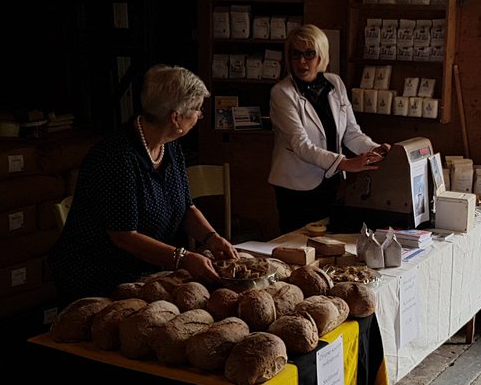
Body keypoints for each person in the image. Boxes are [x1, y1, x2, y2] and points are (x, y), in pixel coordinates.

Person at [49, 64, 236, 304]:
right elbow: (123, 236)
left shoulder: (171, 148)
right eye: (197, 110)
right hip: (99, 278)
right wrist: (183, 258)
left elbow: (185, 207)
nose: (199, 116)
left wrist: (212, 238)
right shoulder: (116, 157)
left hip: (146, 273)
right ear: (176, 117)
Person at [269, 24, 390, 233]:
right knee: (297, 248)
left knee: (327, 243)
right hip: (296, 187)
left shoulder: (335, 83)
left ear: (322, 56)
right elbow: (301, 145)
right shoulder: (281, 93)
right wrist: (345, 163)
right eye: (295, 54)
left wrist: (375, 150)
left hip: (331, 183)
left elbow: (352, 133)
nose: (302, 61)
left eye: (309, 54)